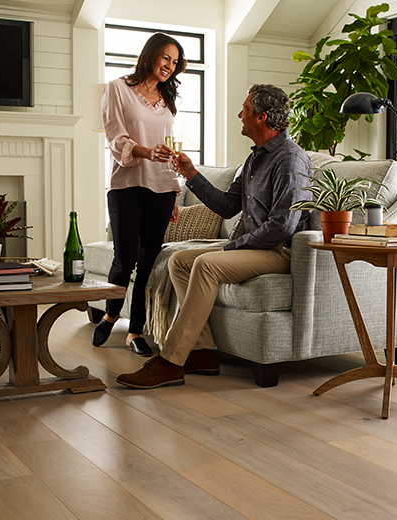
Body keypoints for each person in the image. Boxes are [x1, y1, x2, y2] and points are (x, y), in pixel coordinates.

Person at [116, 83, 313, 388]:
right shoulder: (255, 158)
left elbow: (283, 226)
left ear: (261, 118)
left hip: (278, 251)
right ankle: (203, 352)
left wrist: (233, 247)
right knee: (179, 261)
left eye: (245, 110)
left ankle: (170, 360)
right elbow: (227, 205)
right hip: (254, 247)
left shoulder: (291, 159)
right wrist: (191, 174)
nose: (240, 115)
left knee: (206, 264)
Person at [91, 33, 186, 357]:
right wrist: (145, 151)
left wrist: (174, 191)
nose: (170, 67)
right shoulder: (118, 88)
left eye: (175, 62)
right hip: (126, 186)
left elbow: (171, 149)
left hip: (161, 187)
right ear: (151, 55)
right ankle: (111, 313)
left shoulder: (166, 99)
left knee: (148, 261)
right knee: (125, 257)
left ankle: (135, 332)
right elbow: (116, 138)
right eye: (166, 59)